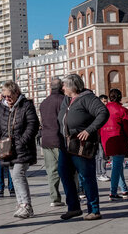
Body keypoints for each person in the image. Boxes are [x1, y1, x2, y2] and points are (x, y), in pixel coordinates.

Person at [57, 74, 109, 221]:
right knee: (64, 173)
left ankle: (94, 209)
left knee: (86, 177)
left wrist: (89, 130)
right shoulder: (66, 100)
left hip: (81, 145)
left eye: (64, 86)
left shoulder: (88, 98)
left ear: (72, 87)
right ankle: (73, 207)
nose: (62, 88)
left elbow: (103, 112)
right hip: (65, 145)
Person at [0, 81, 39, 218]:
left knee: (18, 175)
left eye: (9, 96)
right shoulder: (3, 108)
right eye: (4, 97)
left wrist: (22, 141)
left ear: (16, 93)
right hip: (8, 149)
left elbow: (33, 125)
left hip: (22, 148)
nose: (7, 99)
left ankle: (27, 205)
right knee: (13, 177)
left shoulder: (26, 105)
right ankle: (21, 204)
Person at [100, 89, 128, 201]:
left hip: (107, 141)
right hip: (118, 141)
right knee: (116, 167)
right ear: (120, 97)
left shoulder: (103, 109)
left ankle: (124, 189)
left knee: (117, 165)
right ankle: (113, 192)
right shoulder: (122, 110)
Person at [39, 77, 65, 207]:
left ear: (50, 88)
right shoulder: (63, 100)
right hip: (59, 139)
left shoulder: (44, 102)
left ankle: (55, 198)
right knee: (67, 169)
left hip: (46, 140)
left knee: (51, 171)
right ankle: (73, 195)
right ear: (62, 87)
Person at [95, 95, 110, 182]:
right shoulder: (97, 111)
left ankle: (103, 172)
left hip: (105, 136)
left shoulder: (106, 111)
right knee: (99, 156)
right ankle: (100, 173)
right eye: (104, 101)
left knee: (104, 155)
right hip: (99, 136)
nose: (105, 103)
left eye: (106, 101)